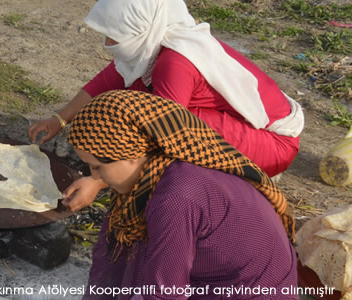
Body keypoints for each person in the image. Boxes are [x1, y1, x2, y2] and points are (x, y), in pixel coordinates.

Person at [27, 0, 304, 212]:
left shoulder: (175, 62)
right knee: (131, 98)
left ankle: (249, 173)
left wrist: (99, 181)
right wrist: (59, 119)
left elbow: (166, 135)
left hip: (274, 144)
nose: (109, 43)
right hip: (240, 127)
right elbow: (109, 79)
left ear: (144, 28)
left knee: (174, 128)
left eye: (116, 36)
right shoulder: (155, 42)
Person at [70, 90, 297, 299]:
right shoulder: (148, 177)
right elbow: (111, 256)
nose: (95, 177)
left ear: (132, 154)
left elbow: (165, 293)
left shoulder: (177, 196)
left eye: (97, 167)